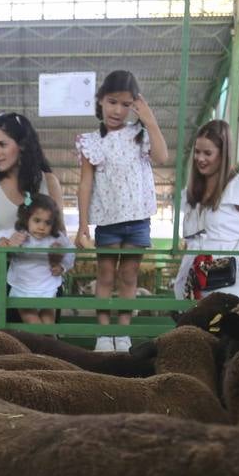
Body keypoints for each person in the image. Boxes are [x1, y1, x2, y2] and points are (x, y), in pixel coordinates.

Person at [74, 70, 169, 352]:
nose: (117, 110)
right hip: (107, 220)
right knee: (104, 275)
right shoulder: (91, 140)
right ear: (100, 100)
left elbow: (163, 157)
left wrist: (149, 120)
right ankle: (104, 335)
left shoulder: (140, 134)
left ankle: (123, 334)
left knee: (129, 275)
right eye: (112, 102)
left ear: (135, 106)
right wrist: (82, 225)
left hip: (138, 218)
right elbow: (85, 183)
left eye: (126, 104)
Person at [171, 119, 239, 302]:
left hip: (230, 280)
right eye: (197, 152)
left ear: (223, 154)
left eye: (208, 153)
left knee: (227, 329)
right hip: (193, 280)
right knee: (192, 329)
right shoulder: (191, 193)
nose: (200, 159)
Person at [0, 112, 64, 324]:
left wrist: (59, 259)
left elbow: (59, 234)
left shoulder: (49, 182)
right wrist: (5, 245)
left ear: (22, 145)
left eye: (2, 145)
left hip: (45, 275)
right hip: (6, 273)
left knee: (48, 343)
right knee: (9, 349)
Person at [0, 193, 75, 326]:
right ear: (27, 219)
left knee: (49, 325)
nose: (42, 227)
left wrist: (62, 266)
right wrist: (6, 242)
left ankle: (50, 346)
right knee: (33, 323)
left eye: (47, 222)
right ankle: (43, 346)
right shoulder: (19, 234)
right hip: (22, 286)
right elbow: (0, 236)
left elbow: (70, 251)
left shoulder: (55, 238)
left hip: (47, 285)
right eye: (37, 220)